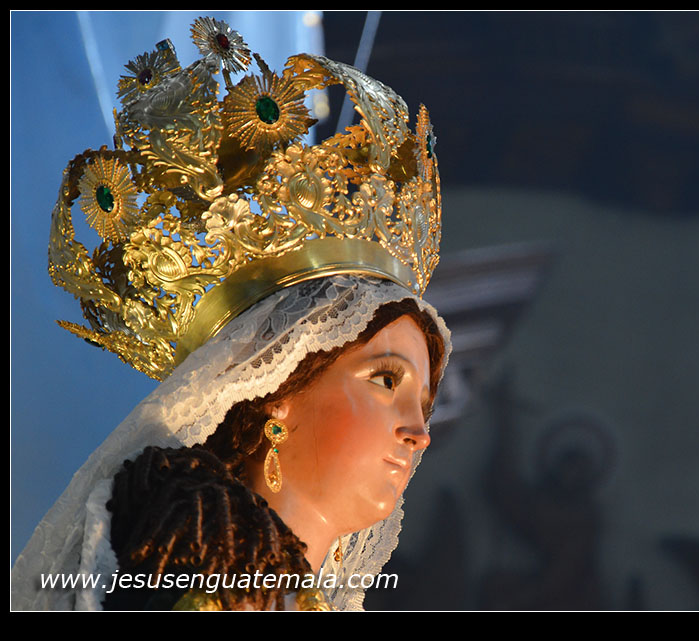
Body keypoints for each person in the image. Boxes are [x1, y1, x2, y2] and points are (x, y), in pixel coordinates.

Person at [11, 16, 449, 611]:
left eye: (424, 404)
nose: (419, 434)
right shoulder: (205, 565)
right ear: (280, 388)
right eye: (386, 379)